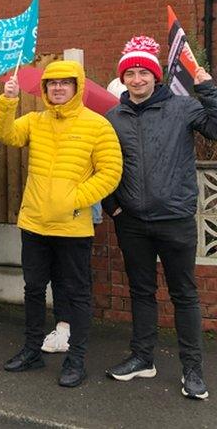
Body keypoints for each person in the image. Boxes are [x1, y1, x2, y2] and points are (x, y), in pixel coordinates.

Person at [0, 60, 122, 388]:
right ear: (45, 89)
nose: (58, 88)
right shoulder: (35, 121)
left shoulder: (97, 125)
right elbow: (5, 134)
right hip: (34, 223)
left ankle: (76, 359)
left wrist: (76, 199)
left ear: (77, 86)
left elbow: (110, 172)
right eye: (52, 83)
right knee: (34, 289)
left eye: (65, 83)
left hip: (72, 227)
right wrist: (7, 100)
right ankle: (32, 350)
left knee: (76, 293)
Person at [102, 36, 215, 399]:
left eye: (143, 73)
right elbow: (100, 163)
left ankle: (193, 371)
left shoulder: (183, 107)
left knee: (184, 295)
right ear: (123, 78)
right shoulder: (112, 118)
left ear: (155, 76)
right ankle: (142, 358)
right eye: (130, 74)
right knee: (141, 291)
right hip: (132, 221)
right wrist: (112, 206)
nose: (137, 80)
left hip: (175, 219)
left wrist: (207, 88)